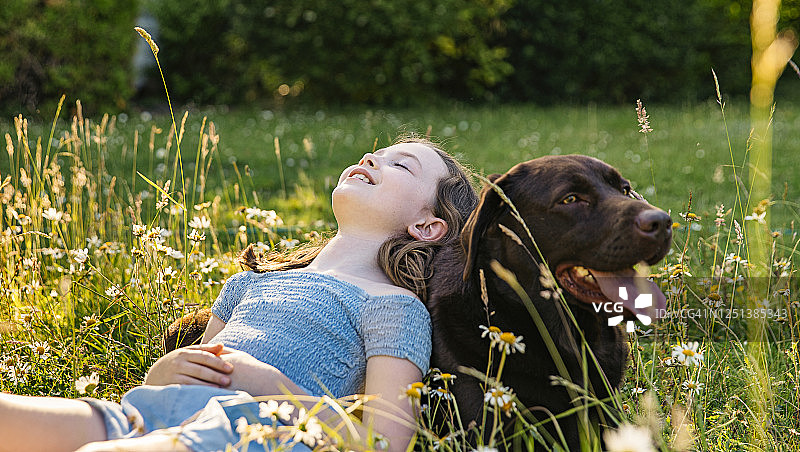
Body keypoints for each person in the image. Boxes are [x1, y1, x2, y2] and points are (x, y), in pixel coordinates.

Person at [0, 137, 478, 452]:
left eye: (401, 165)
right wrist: (162, 370)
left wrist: (275, 387)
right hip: (148, 414)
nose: (373, 158)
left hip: (248, 431)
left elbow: (386, 441)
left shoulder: (392, 307)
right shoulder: (251, 284)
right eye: (379, 152)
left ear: (427, 225)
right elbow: (192, 368)